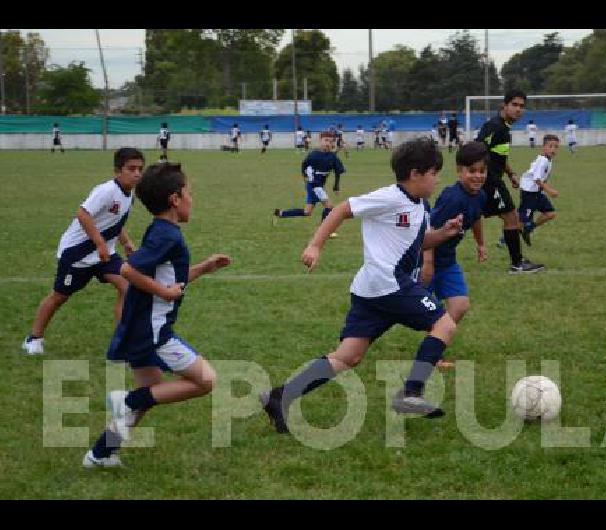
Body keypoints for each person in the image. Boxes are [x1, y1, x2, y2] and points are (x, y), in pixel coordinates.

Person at [259, 137, 465, 434]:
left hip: (373, 289)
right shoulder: (390, 197)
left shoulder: (419, 204)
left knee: (348, 355)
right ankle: (412, 392)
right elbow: (342, 208)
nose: (437, 179)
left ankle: (281, 396)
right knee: (444, 325)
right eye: (434, 173)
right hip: (390, 284)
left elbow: (417, 243)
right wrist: (315, 245)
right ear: (416, 174)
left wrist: (444, 233)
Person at [83, 162, 231, 468]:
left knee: (151, 392)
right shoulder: (168, 236)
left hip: (139, 327)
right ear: (175, 199)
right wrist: (163, 294)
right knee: (206, 381)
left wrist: (204, 267)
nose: (193, 198)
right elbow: (129, 269)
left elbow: (167, 278)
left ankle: (101, 453)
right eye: (189, 192)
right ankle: (128, 400)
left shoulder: (161, 231)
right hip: (154, 332)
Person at [22, 148, 144, 355]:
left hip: (104, 255)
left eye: (140, 169)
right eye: (131, 169)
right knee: (59, 296)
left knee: (128, 287)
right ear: (117, 170)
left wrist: (126, 242)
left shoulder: (129, 194)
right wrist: (100, 244)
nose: (137, 174)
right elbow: (83, 214)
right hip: (78, 254)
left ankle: (122, 340)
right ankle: (33, 338)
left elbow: (114, 221)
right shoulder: (106, 191)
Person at [420, 142, 488, 367]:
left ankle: (434, 354)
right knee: (414, 312)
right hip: (426, 260)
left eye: (482, 171)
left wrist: (481, 244)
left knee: (459, 305)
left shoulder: (481, 195)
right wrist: (427, 264)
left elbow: (476, 217)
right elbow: (428, 230)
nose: (477, 176)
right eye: (472, 171)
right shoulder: (452, 197)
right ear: (460, 171)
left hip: (448, 262)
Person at [477, 89, 543, 273]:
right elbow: (477, 148)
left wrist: (511, 174)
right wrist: (479, 178)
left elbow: (499, 156)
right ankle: (518, 263)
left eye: (521, 106)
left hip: (493, 179)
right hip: (489, 181)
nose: (518, 109)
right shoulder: (495, 126)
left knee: (468, 216)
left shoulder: (504, 128)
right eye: (514, 105)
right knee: (511, 217)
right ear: (504, 106)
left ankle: (518, 262)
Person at [273, 131, 345, 239]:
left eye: (331, 141)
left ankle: (280, 213)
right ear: (320, 141)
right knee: (329, 206)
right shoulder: (314, 155)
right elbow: (304, 165)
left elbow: (338, 172)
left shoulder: (333, 157)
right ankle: (324, 231)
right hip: (314, 186)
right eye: (326, 140)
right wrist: (306, 178)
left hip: (318, 186)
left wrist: (336, 186)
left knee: (307, 212)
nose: (328, 143)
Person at [518, 134, 560, 248]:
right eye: (550, 146)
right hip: (529, 193)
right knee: (522, 219)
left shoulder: (548, 160)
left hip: (537, 192)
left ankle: (529, 228)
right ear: (544, 147)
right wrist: (550, 191)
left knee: (550, 213)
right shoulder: (542, 161)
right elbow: (536, 179)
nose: (553, 149)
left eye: (556, 147)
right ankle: (505, 239)